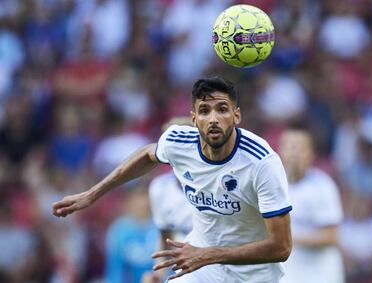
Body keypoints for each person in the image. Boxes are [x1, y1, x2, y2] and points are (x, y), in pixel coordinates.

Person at [52, 76, 292, 283]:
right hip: (203, 269)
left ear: (236, 115)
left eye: (222, 109)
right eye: (205, 111)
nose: (214, 119)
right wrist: (91, 194)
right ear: (194, 118)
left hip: (254, 275)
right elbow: (148, 153)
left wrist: (208, 254)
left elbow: (281, 247)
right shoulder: (180, 142)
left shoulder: (262, 163)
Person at [278, 125, 345, 283]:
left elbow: (331, 236)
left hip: (321, 275)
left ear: (311, 154)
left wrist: (286, 238)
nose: (294, 153)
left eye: (300, 148)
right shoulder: (273, 186)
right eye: (289, 147)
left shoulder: (323, 186)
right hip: (289, 275)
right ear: (280, 151)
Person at [105, 181, 159, 283]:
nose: (143, 202)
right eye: (137, 196)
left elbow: (169, 266)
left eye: (145, 195)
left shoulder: (161, 227)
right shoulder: (119, 230)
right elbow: (115, 269)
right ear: (128, 200)